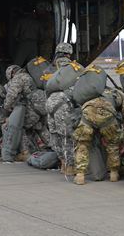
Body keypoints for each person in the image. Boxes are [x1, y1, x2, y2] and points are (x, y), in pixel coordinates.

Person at [73, 82, 124, 185]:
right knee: (113, 144)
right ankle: (113, 174)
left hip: (88, 113)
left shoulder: (91, 91)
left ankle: (80, 176)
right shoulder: (119, 94)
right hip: (107, 115)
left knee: (82, 144)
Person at [45, 42, 83, 175]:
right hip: (64, 103)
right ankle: (70, 166)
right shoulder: (74, 67)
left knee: (54, 134)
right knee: (67, 136)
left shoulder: (48, 68)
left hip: (49, 103)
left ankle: (62, 163)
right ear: (69, 53)